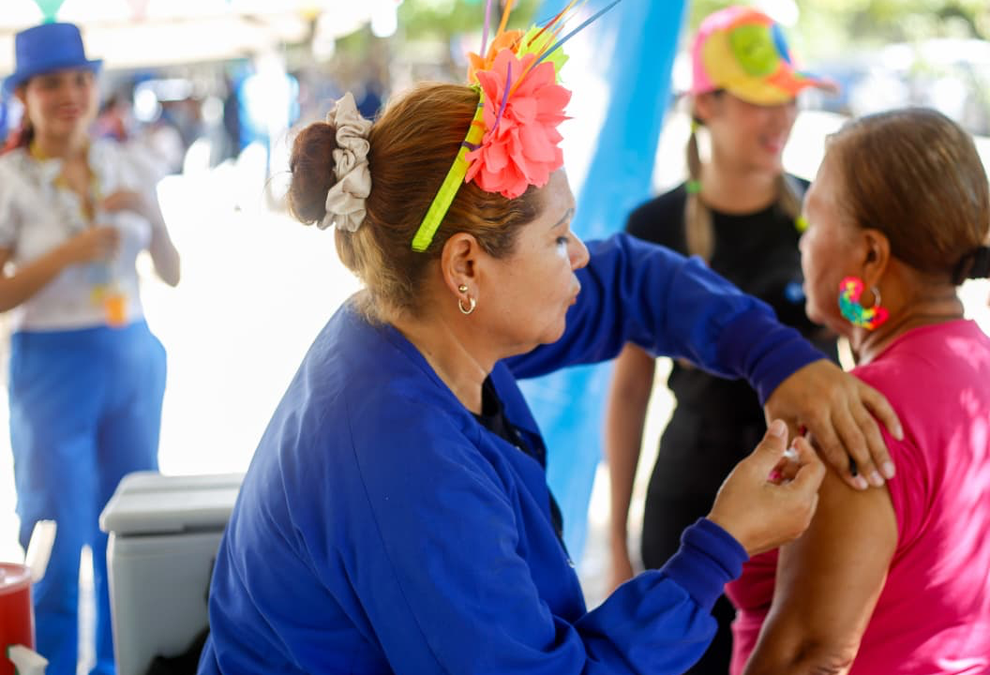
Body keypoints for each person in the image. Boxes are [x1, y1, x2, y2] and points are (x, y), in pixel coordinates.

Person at [198, 6, 903, 673]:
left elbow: (631, 281)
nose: (582, 256)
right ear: (467, 264)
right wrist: (719, 545)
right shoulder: (404, 460)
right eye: (558, 236)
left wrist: (776, 359)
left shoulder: (426, 317)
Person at [728, 108, 990, 675]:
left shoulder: (859, 417)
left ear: (870, 255)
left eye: (814, 222)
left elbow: (808, 655)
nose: (803, 243)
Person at [604, 7, 840, 673]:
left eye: (789, 100)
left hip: (809, 491)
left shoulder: (825, 212)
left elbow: (863, 346)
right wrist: (618, 536)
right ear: (706, 104)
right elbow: (629, 388)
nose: (781, 119)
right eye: (762, 100)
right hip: (694, 501)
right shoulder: (653, 225)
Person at [0, 22, 181, 675]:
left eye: (80, 78)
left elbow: (173, 270)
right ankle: (40, 659)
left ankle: (124, 659)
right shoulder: (11, 179)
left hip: (131, 355)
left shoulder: (126, 162)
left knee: (128, 524)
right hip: (51, 367)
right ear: (26, 95)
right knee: (54, 524)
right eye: (51, 82)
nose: (70, 93)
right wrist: (69, 252)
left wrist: (153, 217)